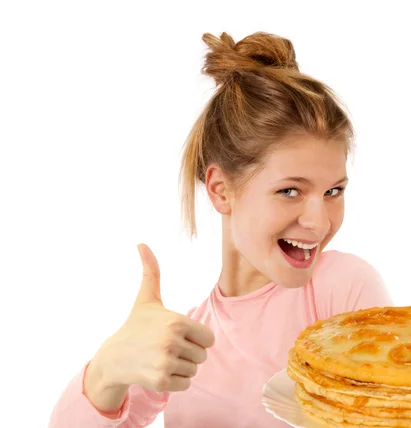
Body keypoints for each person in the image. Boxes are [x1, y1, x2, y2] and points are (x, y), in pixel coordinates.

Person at [48, 31, 393, 428]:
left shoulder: (341, 288)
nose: (320, 221)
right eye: (290, 191)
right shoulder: (185, 343)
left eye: (333, 190)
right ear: (220, 190)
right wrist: (108, 368)